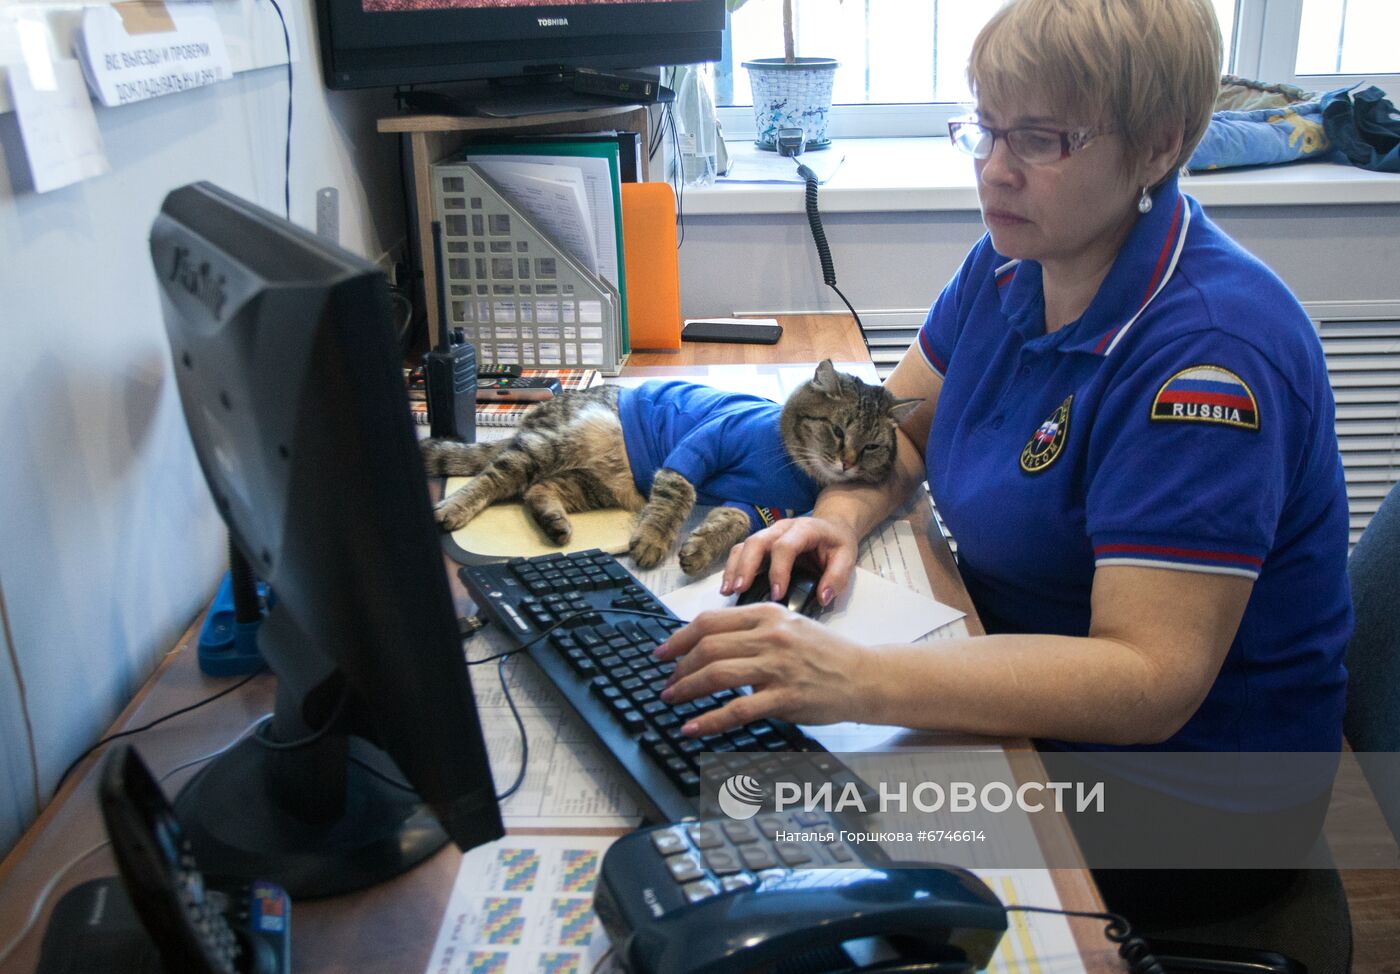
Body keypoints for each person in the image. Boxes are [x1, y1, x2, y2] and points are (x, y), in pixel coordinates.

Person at [653, 0, 1352, 921]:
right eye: (983, 129)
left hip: (1189, 799)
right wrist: (839, 517)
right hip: (1029, 702)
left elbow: (1148, 683)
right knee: (744, 783)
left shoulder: (1210, 359)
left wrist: (856, 678)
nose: (994, 169)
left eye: (1041, 138)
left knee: (765, 834)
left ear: (1157, 146)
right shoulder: (1010, 263)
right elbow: (901, 433)